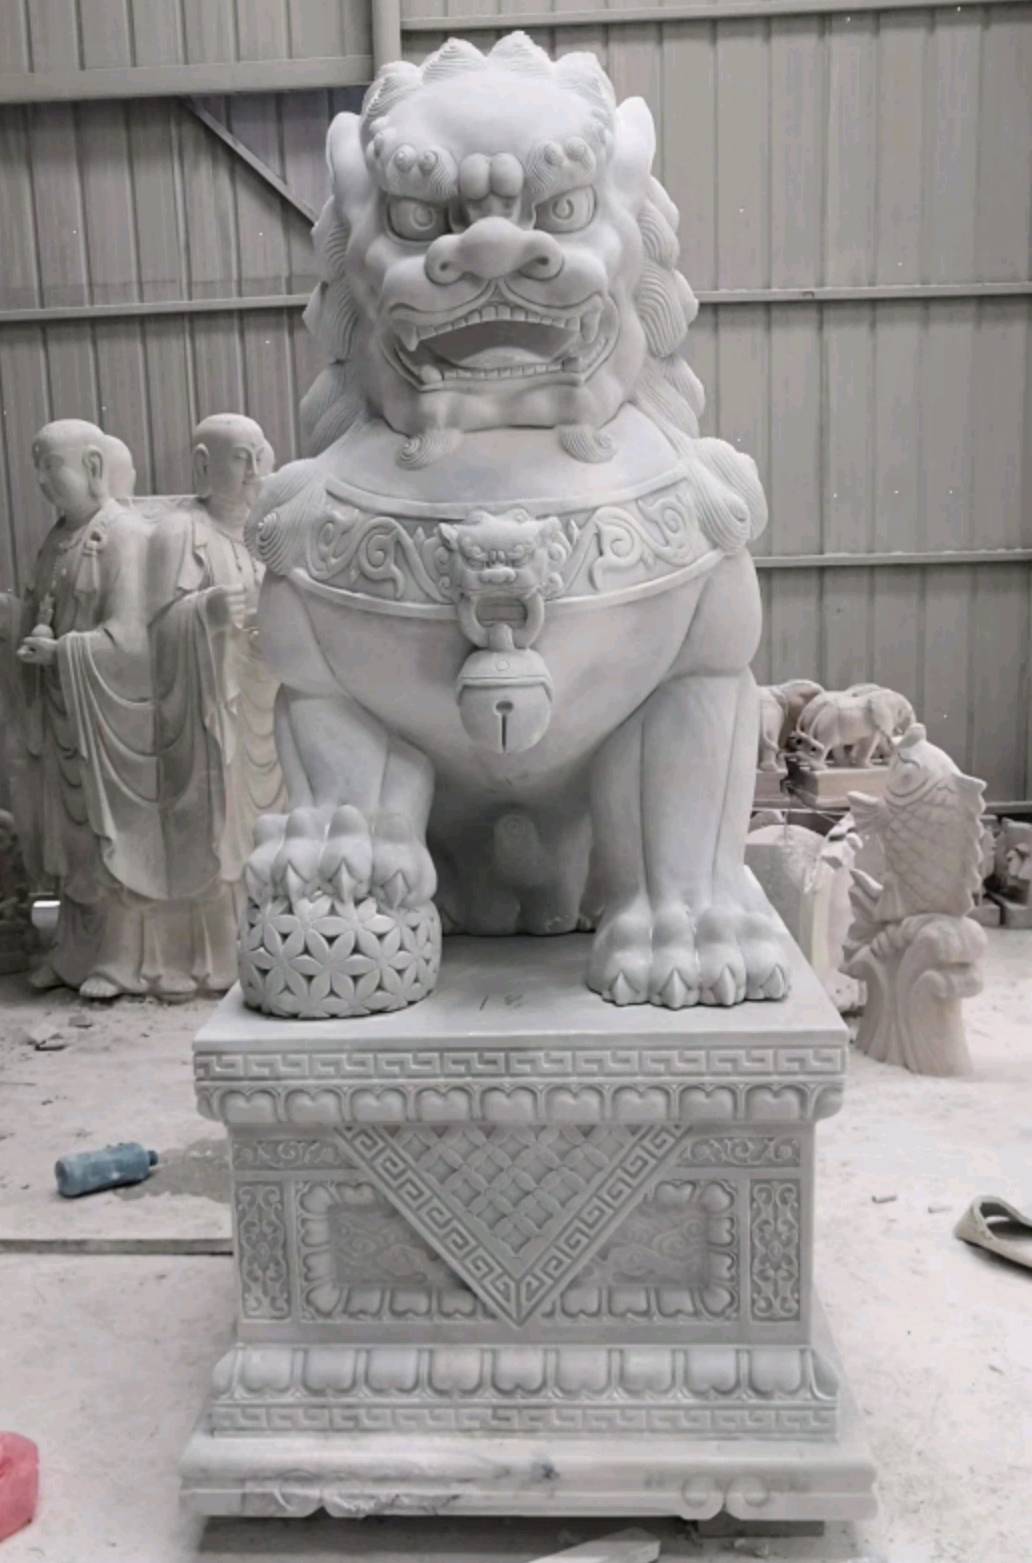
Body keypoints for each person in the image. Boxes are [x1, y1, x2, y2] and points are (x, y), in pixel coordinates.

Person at [6, 420, 191, 997]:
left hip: (112, 718)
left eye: (50, 467)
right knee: (73, 843)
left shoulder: (123, 537)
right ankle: (73, 954)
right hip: (64, 713)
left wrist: (64, 652)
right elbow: (41, 610)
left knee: (116, 841)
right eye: (36, 468)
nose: (41, 481)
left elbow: (135, 639)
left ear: (91, 467)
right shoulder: (56, 540)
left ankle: (121, 959)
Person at [148, 414, 284, 990]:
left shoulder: (274, 530)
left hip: (269, 699)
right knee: (219, 824)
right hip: (212, 709)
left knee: (280, 819)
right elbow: (153, 632)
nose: (252, 470)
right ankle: (218, 953)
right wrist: (203, 611)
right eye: (238, 457)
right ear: (204, 464)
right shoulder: (179, 534)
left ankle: (278, 934)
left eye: (258, 455)